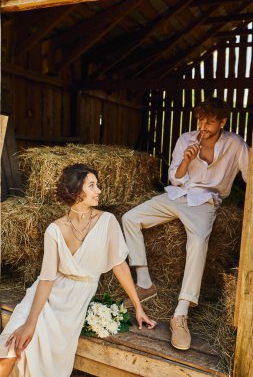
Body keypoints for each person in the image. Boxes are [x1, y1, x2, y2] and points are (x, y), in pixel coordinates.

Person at [0, 164, 156, 377]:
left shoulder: (107, 221)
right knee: (10, 345)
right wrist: (30, 322)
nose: (99, 190)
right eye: (92, 185)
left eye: (97, 185)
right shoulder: (54, 229)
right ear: (76, 191)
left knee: (30, 347)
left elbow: (119, 265)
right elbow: (46, 279)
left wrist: (138, 306)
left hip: (73, 302)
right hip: (43, 296)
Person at [122, 97, 249, 351]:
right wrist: (186, 161)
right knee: (129, 218)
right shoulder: (186, 139)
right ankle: (145, 283)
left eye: (210, 122)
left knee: (199, 241)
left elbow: (250, 174)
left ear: (223, 122)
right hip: (177, 195)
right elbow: (175, 177)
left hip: (205, 202)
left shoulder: (235, 144)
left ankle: (180, 314)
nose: (203, 126)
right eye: (200, 120)